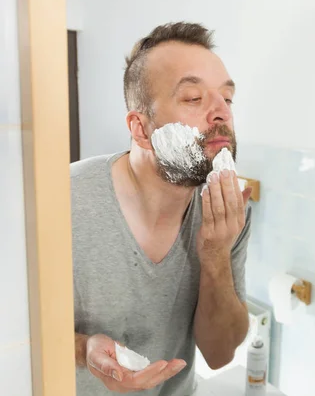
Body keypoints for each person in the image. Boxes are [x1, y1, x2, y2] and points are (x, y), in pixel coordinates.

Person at [71, 22, 253, 395]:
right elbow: (14, 329)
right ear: (140, 128)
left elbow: (219, 354)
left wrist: (216, 254)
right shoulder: (65, 198)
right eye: (193, 98)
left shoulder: (226, 209)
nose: (222, 113)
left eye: (227, 98)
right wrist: (81, 347)